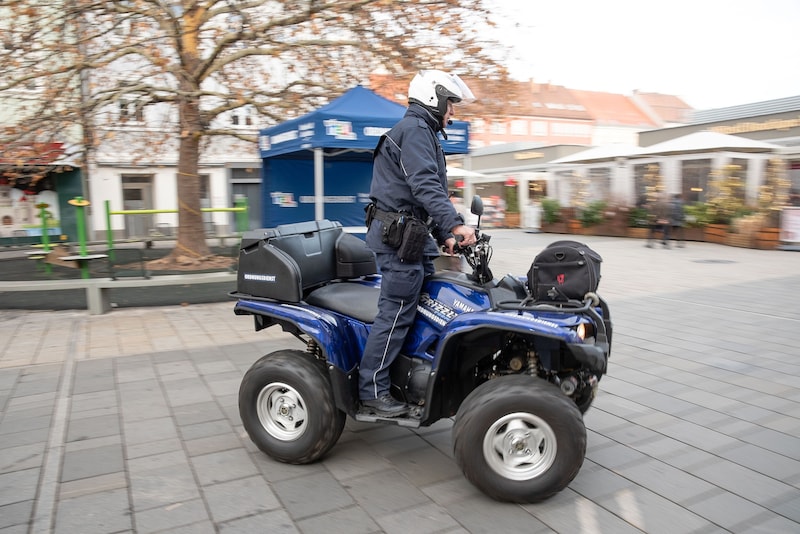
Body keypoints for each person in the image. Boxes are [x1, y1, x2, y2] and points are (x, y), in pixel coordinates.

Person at [358, 70, 477, 417]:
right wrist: (454, 224)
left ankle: (407, 378)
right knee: (395, 312)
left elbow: (424, 197)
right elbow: (425, 185)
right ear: (433, 98)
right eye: (449, 104)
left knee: (423, 308)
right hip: (396, 240)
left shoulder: (423, 133)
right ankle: (372, 390)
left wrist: (444, 236)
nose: (452, 112)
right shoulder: (414, 131)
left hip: (412, 238)